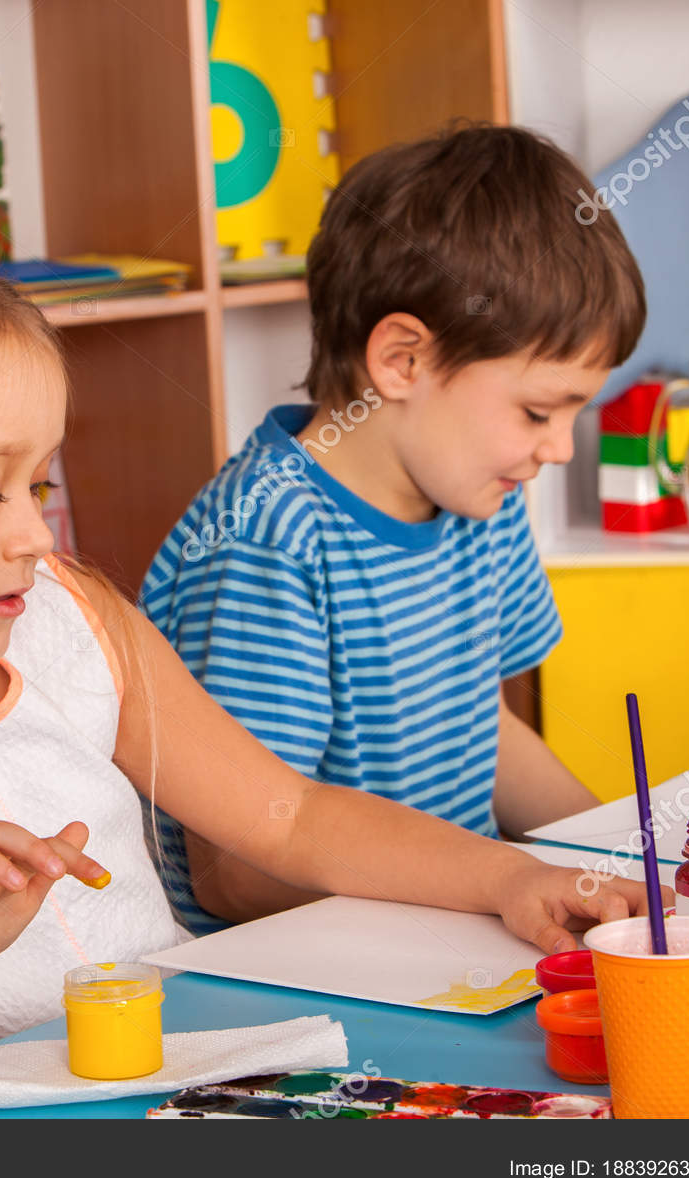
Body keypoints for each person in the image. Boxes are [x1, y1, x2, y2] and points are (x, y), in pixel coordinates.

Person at [0, 231, 653, 1118]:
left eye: (38, 482)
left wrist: (512, 877)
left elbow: (287, 816)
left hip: (195, 1095)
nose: (33, 531)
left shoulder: (71, 619)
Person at [141, 123, 646, 932]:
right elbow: (237, 873)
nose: (559, 448)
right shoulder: (267, 539)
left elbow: (489, 729)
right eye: (538, 411)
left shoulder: (481, 496)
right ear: (404, 362)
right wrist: (490, 880)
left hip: (445, 936)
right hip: (300, 970)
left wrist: (625, 860)